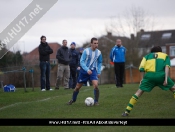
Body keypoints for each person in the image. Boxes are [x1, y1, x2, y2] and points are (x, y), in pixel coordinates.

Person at [122, 46, 175, 117]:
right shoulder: (165, 56)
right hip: (161, 76)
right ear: (160, 51)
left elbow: (141, 68)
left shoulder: (146, 56)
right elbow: (167, 67)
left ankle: (126, 111)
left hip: (149, 76)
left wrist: (142, 79)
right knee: (174, 89)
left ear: (152, 51)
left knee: (138, 92)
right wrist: (165, 79)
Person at [67, 37, 103, 105]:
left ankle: (96, 101)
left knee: (96, 85)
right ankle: (73, 99)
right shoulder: (86, 51)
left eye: (97, 43)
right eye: (95, 43)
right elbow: (81, 61)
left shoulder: (99, 52)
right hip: (84, 72)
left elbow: (100, 62)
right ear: (91, 44)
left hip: (93, 71)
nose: (96, 45)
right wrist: (87, 69)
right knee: (77, 87)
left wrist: (98, 71)